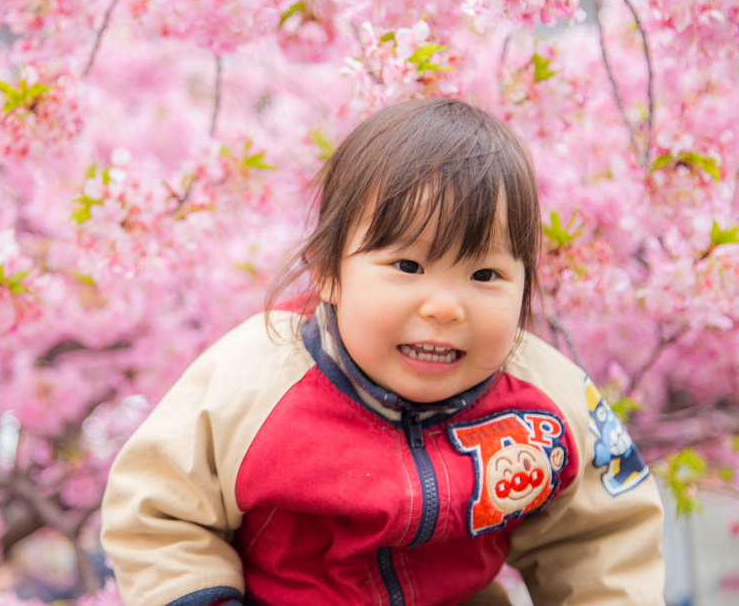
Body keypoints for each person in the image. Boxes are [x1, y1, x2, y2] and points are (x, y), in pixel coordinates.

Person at [100, 98, 665, 606]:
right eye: (408, 266)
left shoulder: (544, 404)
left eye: (485, 273)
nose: (445, 307)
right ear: (329, 273)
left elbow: (601, 534)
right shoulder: (256, 378)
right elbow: (159, 507)